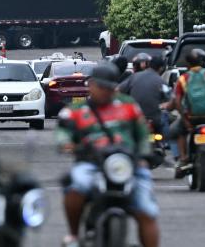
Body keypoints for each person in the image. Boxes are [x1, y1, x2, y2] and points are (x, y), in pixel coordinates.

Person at [57, 64, 159, 247]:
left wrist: (144, 156)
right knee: (76, 186)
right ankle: (73, 235)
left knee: (146, 209)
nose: (106, 92)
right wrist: (66, 144)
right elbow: (63, 131)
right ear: (91, 85)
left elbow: (143, 133)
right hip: (91, 162)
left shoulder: (129, 105)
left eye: (110, 88)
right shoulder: (76, 110)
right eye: (101, 87)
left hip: (127, 164)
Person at [169, 49, 205, 172]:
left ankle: (184, 158)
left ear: (188, 64)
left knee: (178, 131)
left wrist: (185, 120)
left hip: (191, 118)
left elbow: (177, 103)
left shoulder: (183, 79)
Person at [118, 54, 168, 137]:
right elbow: (170, 99)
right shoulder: (161, 81)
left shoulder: (132, 77)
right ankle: (166, 143)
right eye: (135, 65)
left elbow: (117, 91)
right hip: (150, 119)